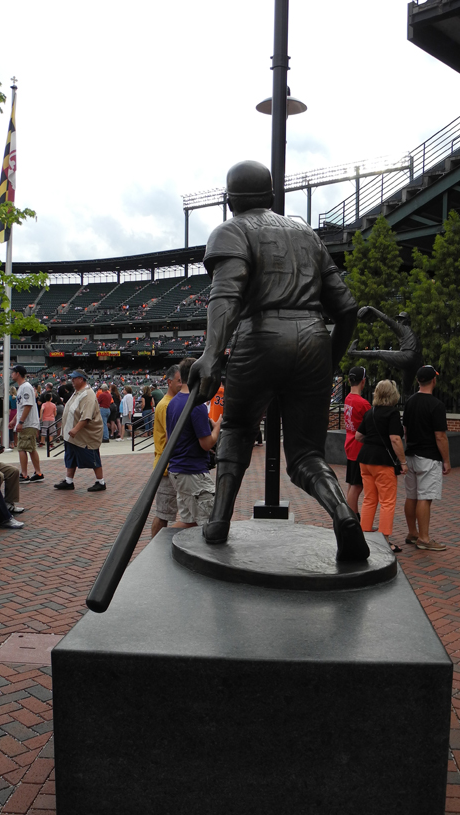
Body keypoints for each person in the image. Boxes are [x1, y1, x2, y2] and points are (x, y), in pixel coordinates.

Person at [187, 159, 367, 561]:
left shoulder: (232, 230)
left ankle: (218, 521)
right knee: (306, 456)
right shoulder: (306, 233)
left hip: (262, 334)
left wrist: (211, 355)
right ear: (270, 195)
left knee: (235, 426)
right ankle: (342, 512)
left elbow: (226, 295)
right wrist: (328, 363)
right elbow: (348, 309)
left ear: (230, 200)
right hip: (316, 338)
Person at [166, 357, 221, 529]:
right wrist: (217, 427)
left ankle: (161, 547)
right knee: (212, 523)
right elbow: (206, 444)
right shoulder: (196, 404)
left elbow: (172, 439)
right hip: (193, 472)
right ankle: (160, 548)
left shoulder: (173, 402)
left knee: (189, 522)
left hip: (178, 469)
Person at [402, 365, 451, 551]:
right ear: (434, 380)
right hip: (429, 457)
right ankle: (424, 538)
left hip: (411, 454)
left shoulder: (410, 402)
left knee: (411, 496)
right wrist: (446, 460)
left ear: (417, 381)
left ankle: (412, 532)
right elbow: (440, 436)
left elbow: (405, 430)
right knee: (425, 497)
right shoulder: (437, 405)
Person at [355, 379, 408, 552]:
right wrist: (403, 462)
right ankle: (384, 540)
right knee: (387, 501)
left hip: (365, 459)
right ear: (393, 394)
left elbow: (358, 436)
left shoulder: (370, 412)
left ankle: (364, 534)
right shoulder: (392, 413)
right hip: (383, 461)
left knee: (370, 498)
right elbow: (395, 439)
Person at [54, 370, 106, 492]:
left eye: (74, 378)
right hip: (72, 435)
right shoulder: (77, 392)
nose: (72, 380)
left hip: (84, 435)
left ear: (81, 379)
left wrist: (75, 429)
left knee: (92, 457)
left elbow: (86, 417)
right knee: (70, 457)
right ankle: (69, 481)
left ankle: (101, 482)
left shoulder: (88, 395)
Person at [150, 364, 182, 538]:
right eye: (179, 381)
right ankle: (154, 546)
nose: (182, 384)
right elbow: (172, 439)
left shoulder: (172, 403)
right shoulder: (166, 405)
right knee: (163, 515)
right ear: (169, 382)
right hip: (167, 467)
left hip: (170, 465)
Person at [343, 366, 371, 515]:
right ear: (363, 381)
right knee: (357, 486)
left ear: (349, 380)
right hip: (359, 447)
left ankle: (349, 514)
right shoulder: (363, 404)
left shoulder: (348, 398)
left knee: (352, 484)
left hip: (349, 443)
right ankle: (353, 518)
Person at [11, 364, 44, 483]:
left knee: (22, 448)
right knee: (31, 448)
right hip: (27, 422)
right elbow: (22, 406)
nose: (12, 374)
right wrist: (15, 420)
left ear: (18, 373)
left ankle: (24, 474)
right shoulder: (22, 387)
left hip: (27, 423)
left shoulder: (25, 387)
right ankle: (38, 472)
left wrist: (20, 422)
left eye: (13, 372)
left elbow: (28, 405)